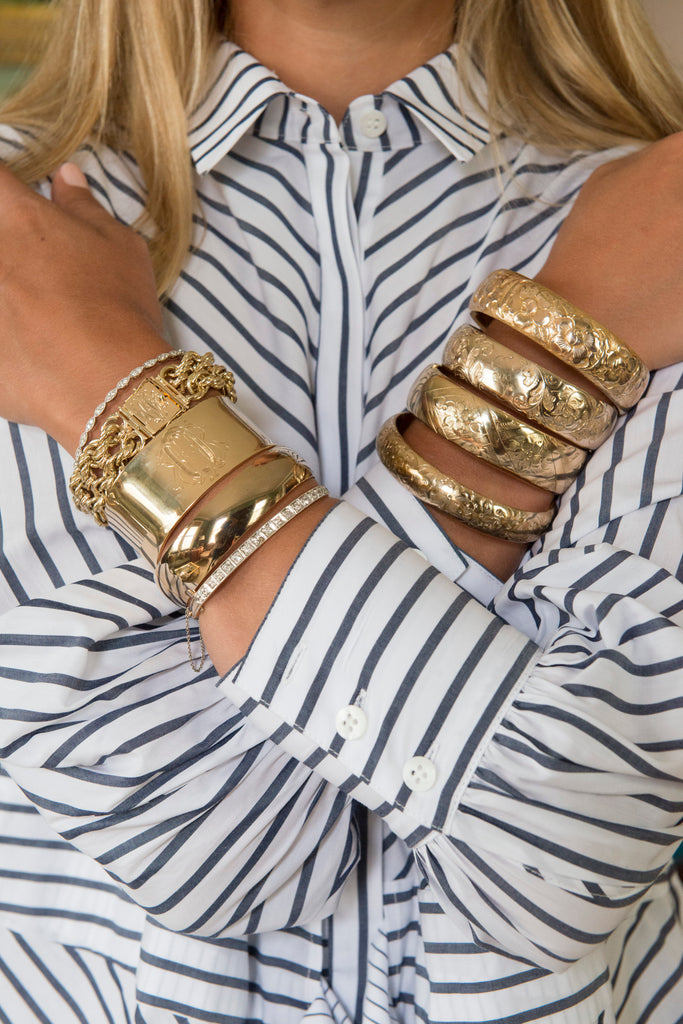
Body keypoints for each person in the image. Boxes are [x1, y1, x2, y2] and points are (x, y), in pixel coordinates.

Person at [0, 1, 683, 1021]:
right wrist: (543, 365)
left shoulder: (657, 209)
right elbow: (203, 845)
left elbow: (573, 845)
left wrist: (115, 392)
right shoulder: (22, 222)